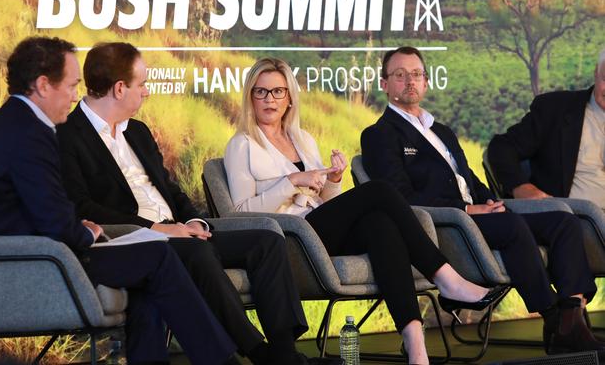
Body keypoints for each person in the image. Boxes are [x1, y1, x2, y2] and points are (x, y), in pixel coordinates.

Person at [0, 37, 237, 365]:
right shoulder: (33, 133)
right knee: (157, 257)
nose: (77, 96)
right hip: (30, 264)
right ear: (44, 85)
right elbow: (56, 222)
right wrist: (88, 232)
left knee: (145, 270)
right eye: (72, 85)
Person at [56, 42, 333, 365]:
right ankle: (257, 351)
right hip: (138, 240)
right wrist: (158, 228)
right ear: (120, 88)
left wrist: (194, 222)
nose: (146, 92)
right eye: (143, 84)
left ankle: (285, 354)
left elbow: (171, 191)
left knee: (268, 240)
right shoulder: (68, 135)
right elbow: (83, 207)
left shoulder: (139, 132)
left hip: (178, 231)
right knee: (197, 252)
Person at [223, 57, 505, 365]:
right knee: (380, 190)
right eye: (260, 92)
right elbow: (239, 213)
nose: (269, 99)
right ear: (250, 97)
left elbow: (327, 202)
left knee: (380, 224)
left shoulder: (302, 139)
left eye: (277, 91)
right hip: (288, 237)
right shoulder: (242, 144)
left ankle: (415, 342)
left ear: (290, 97)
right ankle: (446, 277)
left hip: (317, 229)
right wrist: (291, 181)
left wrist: (333, 180)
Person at [360, 46, 602, 355]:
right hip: (446, 224)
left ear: (426, 82)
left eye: (417, 74)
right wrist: (466, 209)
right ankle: (553, 317)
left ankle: (572, 317)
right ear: (384, 84)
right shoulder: (379, 134)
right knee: (511, 225)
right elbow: (399, 197)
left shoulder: (442, 131)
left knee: (564, 220)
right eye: (400, 75)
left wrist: (490, 201)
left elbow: (469, 179)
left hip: (482, 215)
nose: (410, 81)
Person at [487, 49, 605, 208]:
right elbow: (501, 147)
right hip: (576, 220)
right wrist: (520, 187)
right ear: (596, 72)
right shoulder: (555, 109)